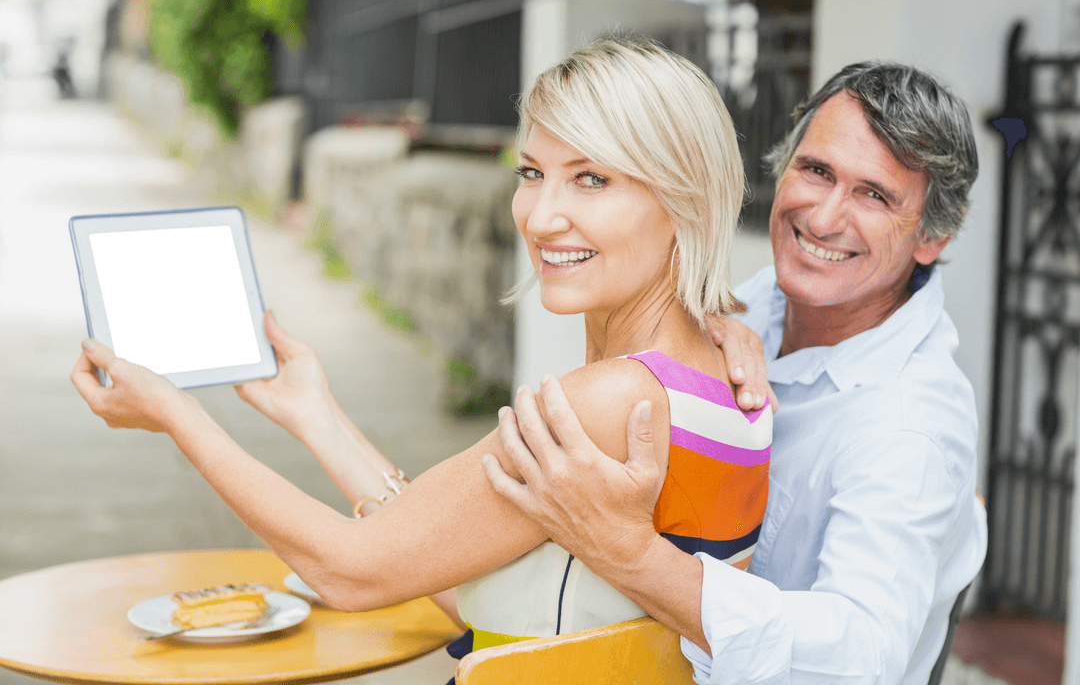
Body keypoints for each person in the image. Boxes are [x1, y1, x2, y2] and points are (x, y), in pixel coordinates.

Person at [69, 38, 770, 661]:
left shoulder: (610, 402)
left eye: (592, 178)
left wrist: (176, 415)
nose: (542, 215)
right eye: (532, 173)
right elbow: (466, 586)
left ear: (687, 200)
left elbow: (353, 571)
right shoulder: (722, 382)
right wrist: (320, 419)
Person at [484, 61, 988, 685]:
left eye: (874, 195)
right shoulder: (756, 308)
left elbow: (860, 658)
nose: (824, 218)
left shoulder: (911, 426)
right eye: (817, 170)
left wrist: (631, 555)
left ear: (931, 237)